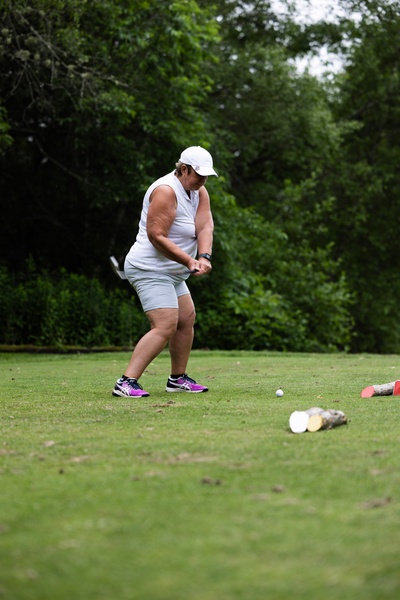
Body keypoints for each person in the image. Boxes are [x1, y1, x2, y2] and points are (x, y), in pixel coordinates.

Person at [112, 146, 218, 398]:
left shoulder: (199, 191)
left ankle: (177, 379)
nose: (203, 180)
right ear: (184, 169)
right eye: (199, 174)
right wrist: (189, 261)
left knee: (186, 319)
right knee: (165, 325)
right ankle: (126, 382)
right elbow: (156, 236)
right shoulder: (165, 191)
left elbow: (205, 226)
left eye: (206, 175)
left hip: (172, 271)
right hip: (148, 268)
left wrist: (204, 257)